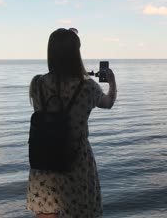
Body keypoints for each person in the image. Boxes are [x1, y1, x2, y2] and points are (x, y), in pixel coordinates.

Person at [27, 28, 117, 218]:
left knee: (46, 213)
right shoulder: (88, 87)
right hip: (76, 161)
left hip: (44, 161)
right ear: (76, 54)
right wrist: (112, 83)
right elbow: (108, 103)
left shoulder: (37, 85)